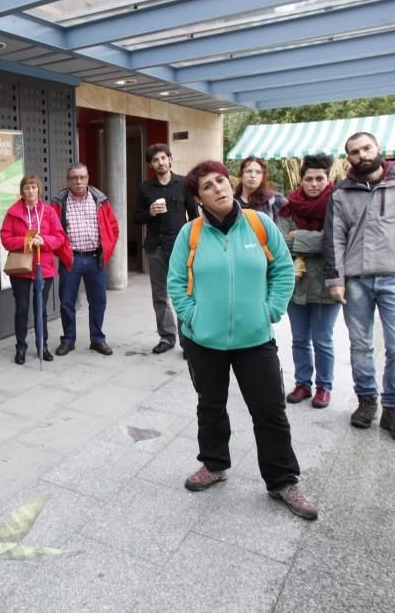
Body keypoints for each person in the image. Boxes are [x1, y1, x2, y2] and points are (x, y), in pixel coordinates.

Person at [167, 160, 317, 521]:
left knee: (269, 410)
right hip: (204, 340)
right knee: (211, 404)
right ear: (199, 198)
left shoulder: (259, 224)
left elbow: (282, 268)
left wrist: (272, 309)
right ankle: (214, 464)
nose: (218, 188)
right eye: (207, 186)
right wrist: (192, 317)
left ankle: (282, 481)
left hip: (255, 339)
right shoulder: (190, 234)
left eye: (221, 180)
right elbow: (175, 283)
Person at [324, 131, 395, 442]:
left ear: (379, 149)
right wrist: (336, 279)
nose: (362, 155)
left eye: (366, 148)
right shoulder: (341, 193)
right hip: (356, 280)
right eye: (354, 152)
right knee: (360, 346)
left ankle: (394, 408)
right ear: (349, 158)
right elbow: (335, 237)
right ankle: (366, 400)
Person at [277, 154, 341, 409]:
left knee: (323, 339)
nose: (314, 184)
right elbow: (281, 243)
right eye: (309, 179)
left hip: (328, 282)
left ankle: (324, 386)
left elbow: (335, 242)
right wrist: (317, 239)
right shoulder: (289, 206)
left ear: (328, 179)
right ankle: (303, 383)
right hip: (296, 282)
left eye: (319, 179)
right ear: (301, 180)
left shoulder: (338, 205)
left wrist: (299, 236)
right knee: (299, 338)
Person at [132, 144, 198, 356]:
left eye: (163, 158)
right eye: (155, 160)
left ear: (170, 159)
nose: (160, 162)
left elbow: (194, 217)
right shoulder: (145, 187)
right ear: (150, 165)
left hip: (180, 246)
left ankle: (187, 340)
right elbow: (136, 218)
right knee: (159, 294)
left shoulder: (184, 184)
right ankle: (166, 337)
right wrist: (149, 212)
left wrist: (195, 244)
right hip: (155, 247)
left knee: (183, 293)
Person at [51, 162, 120, 357]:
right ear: (68, 180)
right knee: (66, 301)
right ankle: (68, 340)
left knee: (98, 301)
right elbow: (53, 230)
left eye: (82, 177)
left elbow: (113, 229)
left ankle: (97, 339)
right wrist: (62, 253)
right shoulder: (59, 202)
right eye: (74, 177)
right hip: (71, 259)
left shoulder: (100, 200)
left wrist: (107, 250)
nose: (78, 181)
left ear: (88, 179)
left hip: (95, 258)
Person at [0, 174, 65, 365]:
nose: (30, 191)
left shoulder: (49, 212)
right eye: (27, 187)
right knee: (21, 309)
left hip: (42, 267)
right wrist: (26, 240)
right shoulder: (12, 212)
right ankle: (21, 347)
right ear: (22, 191)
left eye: (34, 187)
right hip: (20, 267)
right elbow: (6, 239)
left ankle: (42, 345)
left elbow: (59, 237)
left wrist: (43, 241)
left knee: (41, 309)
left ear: (39, 190)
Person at [235, 156, 287, 223]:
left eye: (258, 172)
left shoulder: (275, 201)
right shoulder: (232, 202)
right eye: (249, 171)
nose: (253, 175)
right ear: (241, 175)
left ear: (262, 177)